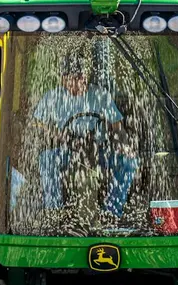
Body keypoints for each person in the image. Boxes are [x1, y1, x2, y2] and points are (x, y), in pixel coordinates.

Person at [32, 55, 138, 217]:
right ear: (63, 79)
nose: (79, 82)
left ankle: (112, 211)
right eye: (74, 78)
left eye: (82, 77)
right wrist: (60, 135)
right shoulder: (52, 97)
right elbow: (37, 123)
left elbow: (117, 127)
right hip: (67, 149)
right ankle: (54, 211)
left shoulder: (100, 95)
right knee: (47, 159)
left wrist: (123, 145)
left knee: (129, 162)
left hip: (98, 150)